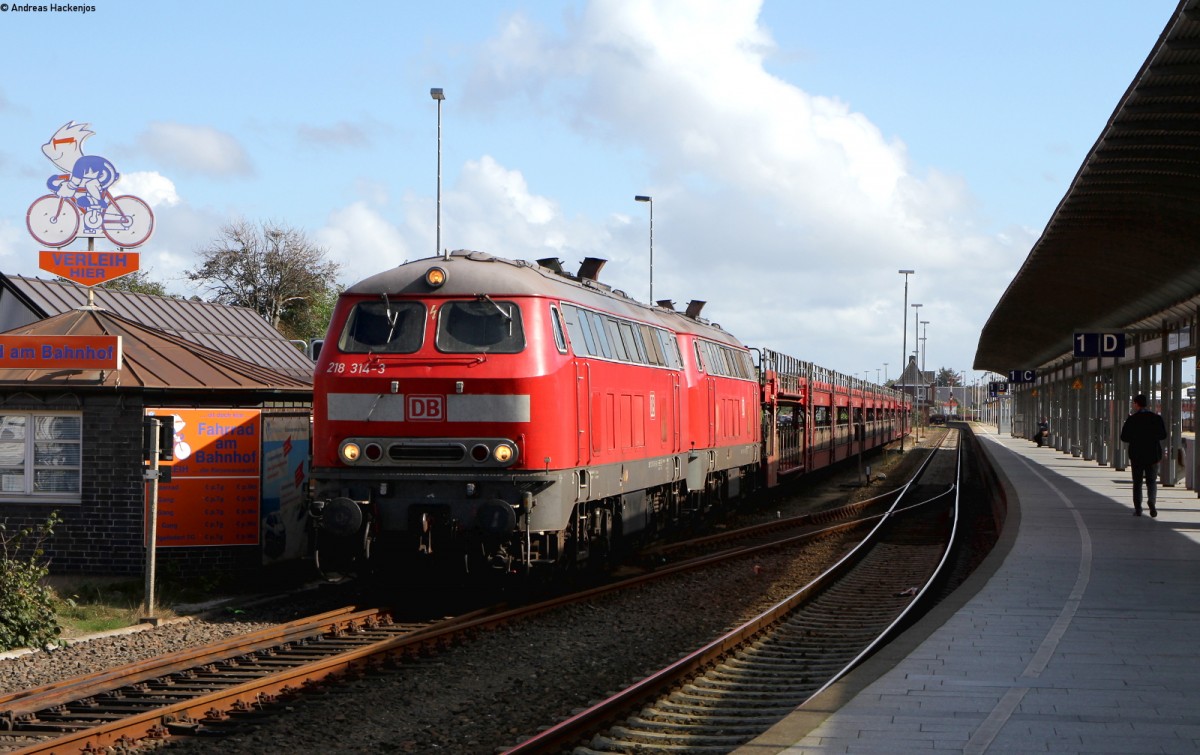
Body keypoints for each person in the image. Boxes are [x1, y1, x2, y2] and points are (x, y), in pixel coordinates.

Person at [1119, 394, 1167, 517]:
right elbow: (1163, 435)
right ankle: (1151, 501)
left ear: (1136, 404)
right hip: (1152, 455)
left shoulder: (1132, 419)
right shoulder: (1156, 418)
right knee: (1151, 481)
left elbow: (1124, 437)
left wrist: (1136, 438)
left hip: (1136, 455)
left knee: (1137, 482)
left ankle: (1138, 508)